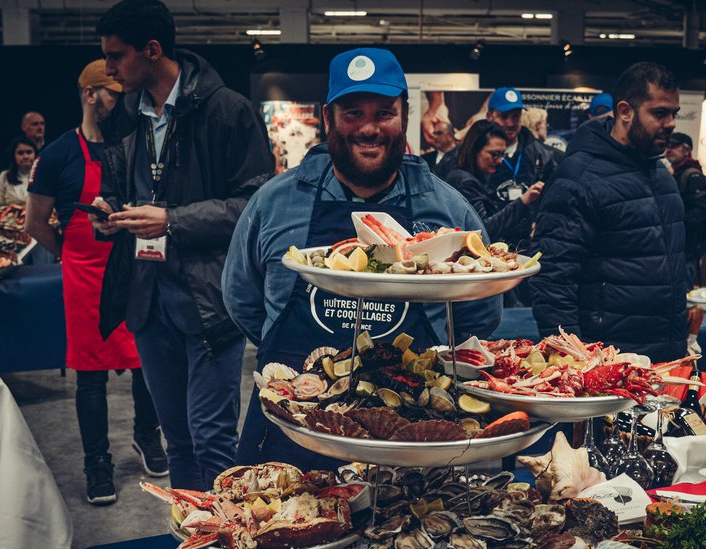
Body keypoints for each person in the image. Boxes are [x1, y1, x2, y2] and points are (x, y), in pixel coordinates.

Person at [222, 47, 502, 471]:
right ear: (328, 116)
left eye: (383, 112)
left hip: (411, 431)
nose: (368, 128)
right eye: (353, 113)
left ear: (404, 116)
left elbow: (481, 313)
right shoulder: (275, 203)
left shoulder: (447, 210)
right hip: (297, 425)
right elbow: (241, 298)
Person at [89, 0, 274, 491]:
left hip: (211, 299)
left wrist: (173, 220)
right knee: (178, 441)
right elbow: (126, 188)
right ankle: (193, 541)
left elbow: (255, 206)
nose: (108, 69)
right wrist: (111, 214)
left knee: (212, 438)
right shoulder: (128, 113)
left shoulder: (227, 109)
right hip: (149, 298)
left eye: (116, 56)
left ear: (152, 50)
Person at [25, 59, 165, 505]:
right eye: (111, 92)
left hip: (133, 269)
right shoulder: (59, 154)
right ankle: (97, 461)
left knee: (145, 362)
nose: (120, 99)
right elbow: (34, 222)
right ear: (89, 95)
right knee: (90, 376)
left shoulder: (135, 145)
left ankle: (147, 435)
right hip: (84, 276)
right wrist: (70, 253)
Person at [532, 62, 687, 362]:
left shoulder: (660, 174)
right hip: (605, 364)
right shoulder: (579, 177)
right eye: (659, 113)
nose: (670, 123)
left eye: (674, 114)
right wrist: (573, 361)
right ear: (625, 111)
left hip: (664, 358)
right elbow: (553, 281)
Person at [444, 120, 543, 246]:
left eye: (502, 154)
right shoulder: (466, 182)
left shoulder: (471, 176)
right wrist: (523, 201)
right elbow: (484, 230)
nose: (500, 160)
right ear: (475, 149)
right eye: (495, 154)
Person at [485, 87, 564, 203]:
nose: (510, 123)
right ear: (489, 116)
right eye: (504, 116)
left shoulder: (541, 154)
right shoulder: (476, 154)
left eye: (516, 116)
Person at [664, 132, 706, 287]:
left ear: (686, 150)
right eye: (667, 145)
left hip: (686, 249)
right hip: (673, 248)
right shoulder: (672, 173)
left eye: (674, 146)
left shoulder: (692, 175)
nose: (669, 149)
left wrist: (674, 222)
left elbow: (699, 214)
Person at [0, 136, 37, 205]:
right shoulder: (4, 176)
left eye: (29, 152)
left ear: (35, 154)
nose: (25, 156)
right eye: (20, 153)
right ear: (13, 156)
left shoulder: (43, 176)